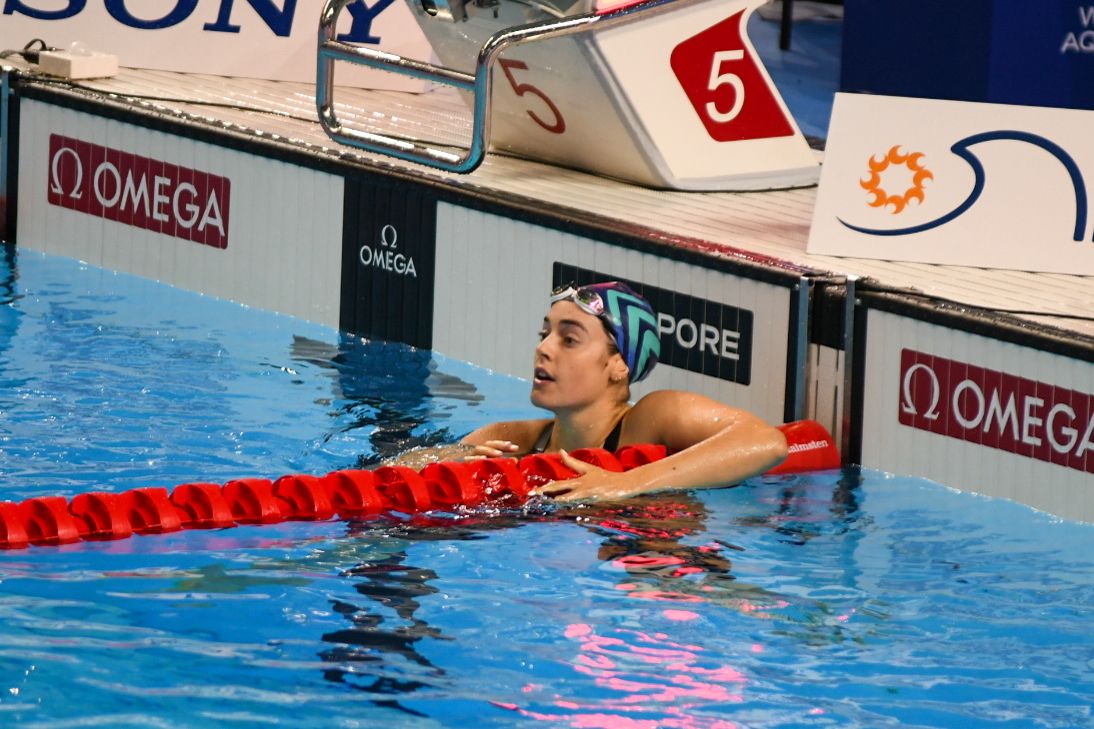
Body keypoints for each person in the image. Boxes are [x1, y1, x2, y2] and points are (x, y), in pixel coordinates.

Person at [456, 281, 788, 502]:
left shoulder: (651, 418)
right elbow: (425, 470)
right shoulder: (509, 439)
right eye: (544, 334)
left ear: (619, 365)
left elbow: (766, 442)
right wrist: (454, 461)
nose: (543, 348)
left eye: (569, 340)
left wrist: (625, 483)